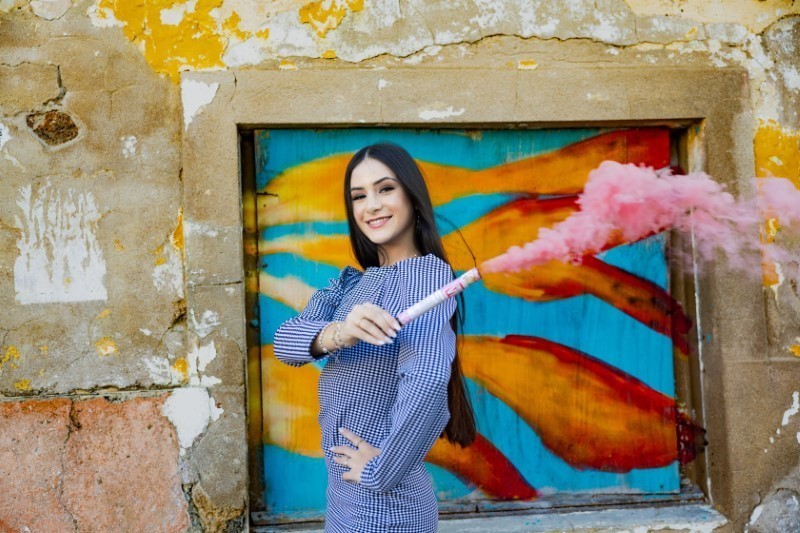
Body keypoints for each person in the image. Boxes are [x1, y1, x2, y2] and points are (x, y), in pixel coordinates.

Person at [273, 142, 476, 532]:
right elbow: (286, 343)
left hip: (385, 507)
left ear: (412, 196)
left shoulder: (424, 276)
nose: (372, 205)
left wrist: (381, 470)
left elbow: (429, 377)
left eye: (385, 189)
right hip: (345, 498)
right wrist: (342, 332)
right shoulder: (350, 284)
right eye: (359, 196)